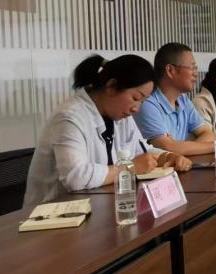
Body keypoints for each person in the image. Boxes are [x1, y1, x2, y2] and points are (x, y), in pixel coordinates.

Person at [25, 54, 191, 206]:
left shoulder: (120, 116)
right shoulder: (69, 118)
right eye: (135, 98)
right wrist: (129, 168)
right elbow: (76, 177)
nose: (136, 108)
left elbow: (142, 150)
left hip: (99, 205)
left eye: (142, 101)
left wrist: (167, 157)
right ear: (111, 86)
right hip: (52, 215)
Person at [134, 43, 216, 156]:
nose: (196, 74)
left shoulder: (183, 100)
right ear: (170, 70)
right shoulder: (147, 102)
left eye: (196, 68)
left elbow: (208, 133)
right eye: (192, 67)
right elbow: (168, 148)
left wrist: (181, 148)